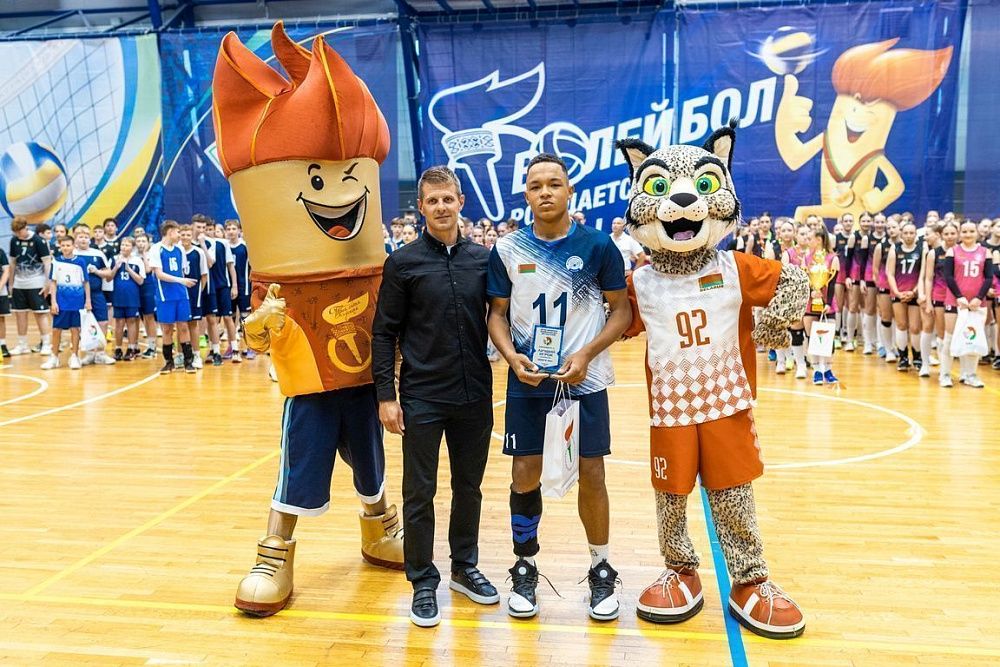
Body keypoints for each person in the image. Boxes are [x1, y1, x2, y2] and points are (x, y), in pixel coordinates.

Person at [487, 153, 631, 621]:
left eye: (554, 183)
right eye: (536, 186)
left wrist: (586, 353)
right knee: (524, 473)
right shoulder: (508, 249)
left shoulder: (598, 246)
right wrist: (512, 357)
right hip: (529, 378)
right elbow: (496, 315)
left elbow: (622, 312)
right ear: (526, 195)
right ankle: (525, 567)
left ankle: (601, 567)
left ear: (570, 191)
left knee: (592, 473)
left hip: (585, 380)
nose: (545, 192)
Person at [373, 166, 496, 628]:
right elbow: (383, 333)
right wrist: (386, 396)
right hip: (422, 396)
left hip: (474, 395)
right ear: (421, 207)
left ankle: (464, 567)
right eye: (432, 201)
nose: (441, 207)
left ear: (461, 202)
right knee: (419, 491)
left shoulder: (483, 260)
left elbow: (503, 318)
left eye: (448, 199)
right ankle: (423, 581)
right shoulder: (402, 263)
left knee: (469, 487)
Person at [940, 220, 993, 388]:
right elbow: (948, 276)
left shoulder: (985, 252)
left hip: (977, 304)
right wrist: (959, 296)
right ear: (960, 233)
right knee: (949, 338)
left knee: (972, 339)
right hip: (955, 301)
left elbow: (989, 278)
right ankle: (945, 374)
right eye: (964, 231)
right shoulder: (953, 251)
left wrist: (978, 298)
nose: (968, 234)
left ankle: (970, 375)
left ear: (976, 232)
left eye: (971, 231)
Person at [149, 220, 197, 374]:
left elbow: (183, 271)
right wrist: (181, 280)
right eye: (178, 232)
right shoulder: (156, 249)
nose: (180, 235)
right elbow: (159, 274)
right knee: (167, 329)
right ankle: (169, 362)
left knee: (183, 326)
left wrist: (182, 282)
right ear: (170, 232)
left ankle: (188, 362)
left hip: (181, 294)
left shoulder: (180, 249)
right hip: (165, 295)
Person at [41, 235, 91, 370]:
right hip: (61, 301)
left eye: (68, 245)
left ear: (74, 246)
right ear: (59, 246)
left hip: (77, 301)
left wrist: (88, 301)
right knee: (56, 329)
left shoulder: (80, 262)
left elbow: (86, 283)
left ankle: (74, 356)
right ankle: (54, 357)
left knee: (75, 329)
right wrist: (53, 302)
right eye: (63, 245)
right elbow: (53, 283)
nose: (65, 248)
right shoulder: (56, 261)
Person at [7, 216, 53, 355]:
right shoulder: (14, 240)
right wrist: (11, 284)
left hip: (36, 282)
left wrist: (47, 283)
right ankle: (22, 345)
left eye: (19, 231)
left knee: (40, 314)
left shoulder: (39, 241)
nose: (18, 234)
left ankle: (46, 344)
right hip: (19, 284)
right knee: (20, 314)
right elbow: (13, 263)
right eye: (15, 232)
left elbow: (47, 263)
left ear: (25, 227)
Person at [73, 225, 116, 365]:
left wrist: (96, 271)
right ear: (75, 239)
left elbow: (108, 273)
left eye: (86, 237)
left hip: (97, 293)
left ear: (89, 239)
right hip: (78, 295)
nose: (83, 239)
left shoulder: (98, 254)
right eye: (80, 237)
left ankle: (101, 353)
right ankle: (89, 354)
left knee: (103, 322)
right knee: (83, 323)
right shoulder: (72, 254)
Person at [886, 222, 924, 372]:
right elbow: (890, 273)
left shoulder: (922, 249)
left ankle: (917, 357)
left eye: (911, 233)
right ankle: (903, 358)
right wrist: (896, 292)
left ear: (916, 234)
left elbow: (923, 274)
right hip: (899, 292)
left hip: (914, 293)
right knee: (901, 325)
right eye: (906, 233)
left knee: (915, 327)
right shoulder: (895, 249)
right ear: (901, 234)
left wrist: (914, 291)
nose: (908, 236)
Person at [180, 224, 210, 369]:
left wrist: (198, 291)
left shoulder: (198, 252)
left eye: (188, 235)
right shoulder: (176, 251)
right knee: (180, 324)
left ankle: (196, 355)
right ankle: (181, 355)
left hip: (194, 294)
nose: (185, 237)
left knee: (193, 324)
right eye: (183, 235)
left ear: (192, 236)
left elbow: (204, 276)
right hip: (179, 293)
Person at [111, 237, 145, 361]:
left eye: (127, 245)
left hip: (132, 296)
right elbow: (109, 277)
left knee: (131, 321)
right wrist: (116, 267)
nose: (124, 247)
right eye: (123, 245)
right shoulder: (114, 259)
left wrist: (129, 269)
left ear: (132, 248)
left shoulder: (137, 261)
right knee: (119, 322)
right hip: (118, 296)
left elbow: (141, 281)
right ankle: (118, 348)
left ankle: (131, 348)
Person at [225, 219, 252, 362]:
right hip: (227, 286)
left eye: (233, 229)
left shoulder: (244, 246)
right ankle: (232, 346)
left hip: (244, 286)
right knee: (230, 318)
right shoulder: (224, 246)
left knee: (245, 318)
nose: (231, 231)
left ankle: (249, 347)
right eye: (228, 229)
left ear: (239, 231)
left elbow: (252, 266)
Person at [134, 235, 159, 358]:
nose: (141, 243)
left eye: (143, 241)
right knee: (140, 317)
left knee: (149, 316)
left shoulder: (151, 254)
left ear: (149, 243)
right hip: (136, 288)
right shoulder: (132, 255)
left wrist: (144, 254)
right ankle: (135, 346)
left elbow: (148, 270)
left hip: (148, 287)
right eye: (138, 241)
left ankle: (152, 347)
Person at [0, 244, 9, 359]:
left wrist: (0, 286)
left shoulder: (1, 252)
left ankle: (2, 345)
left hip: (1, 291)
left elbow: (6, 271)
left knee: (1, 318)